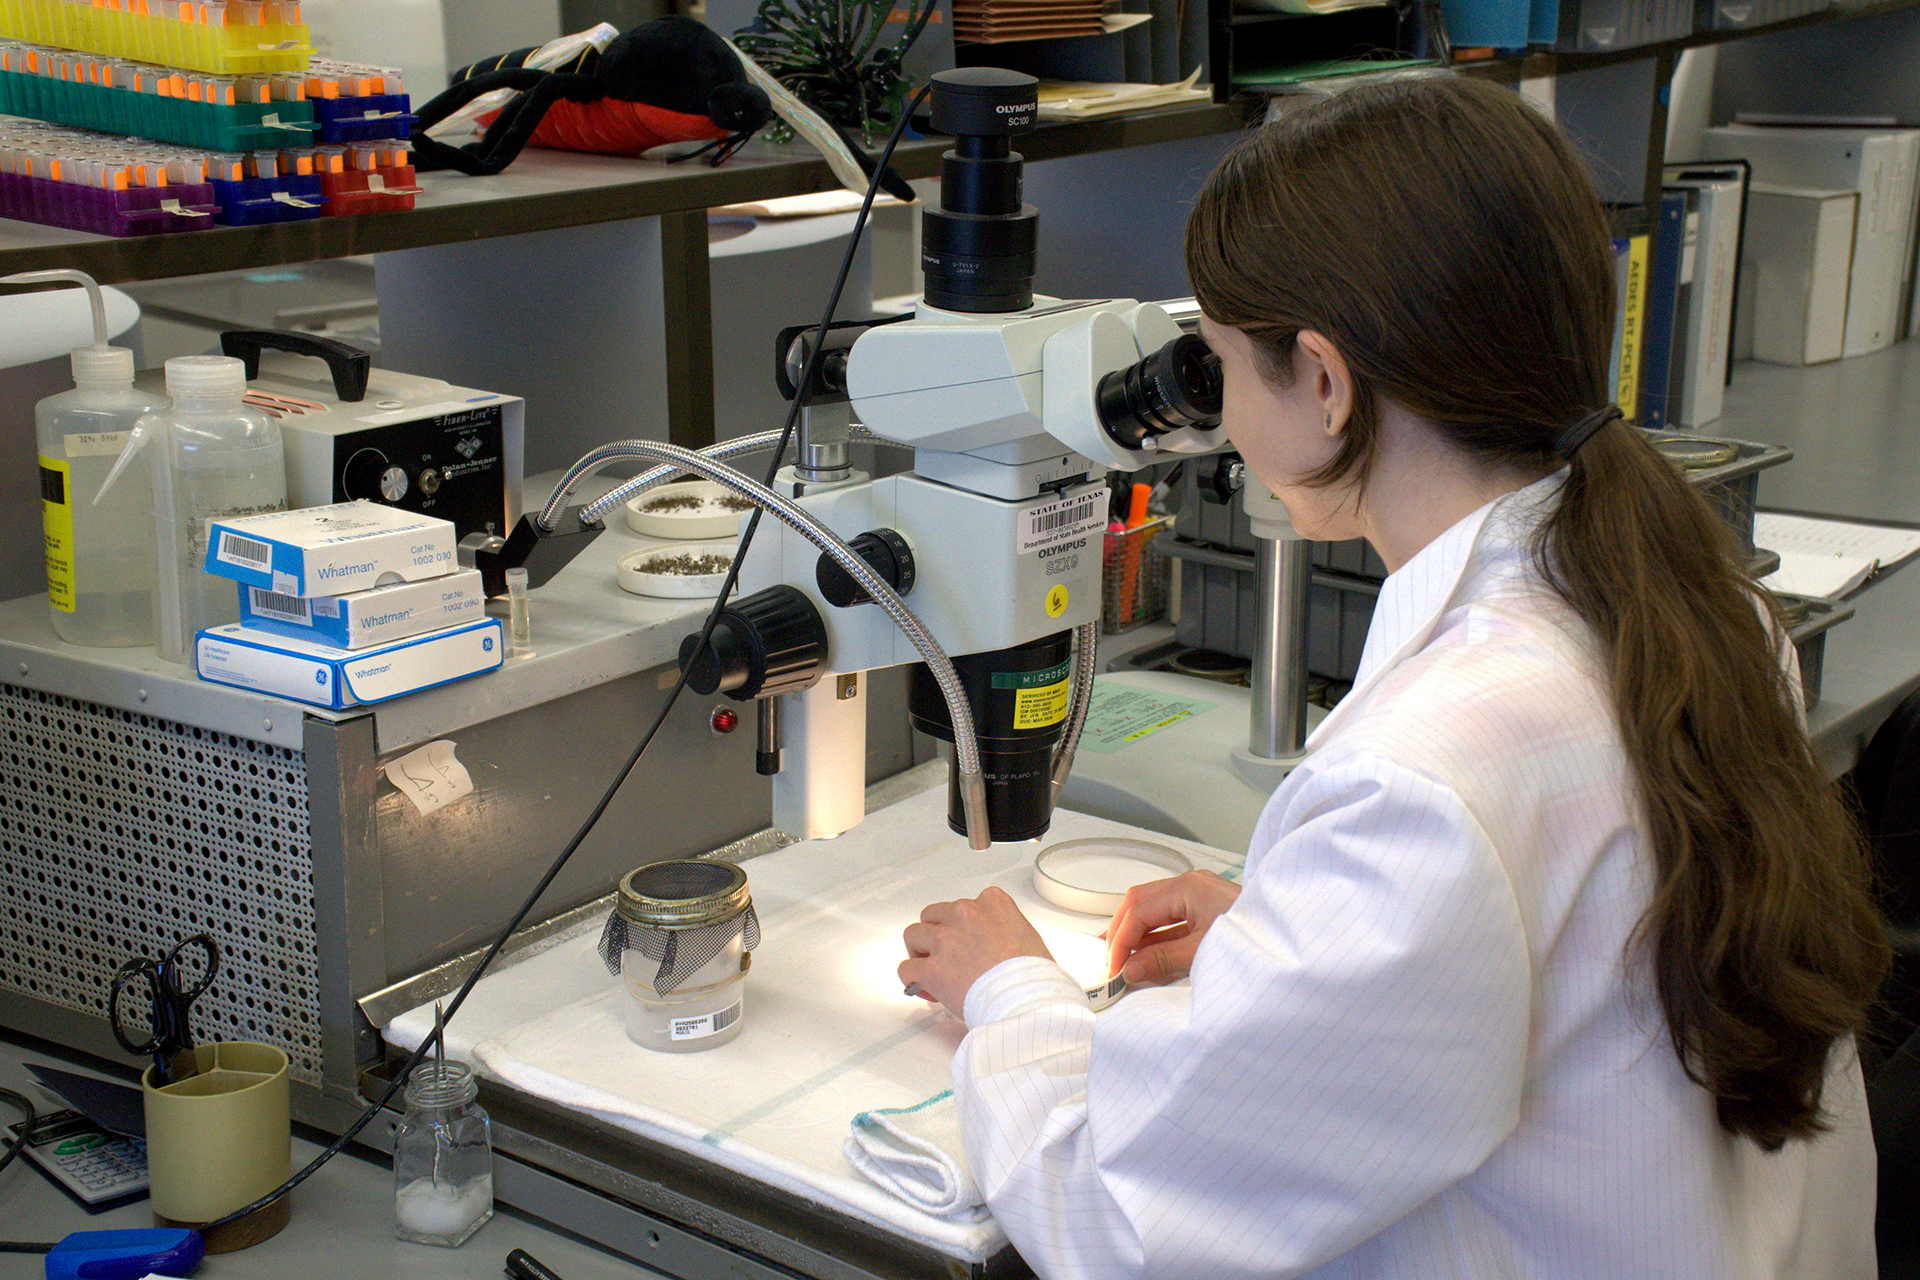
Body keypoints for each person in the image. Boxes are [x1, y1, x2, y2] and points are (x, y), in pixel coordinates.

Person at [898, 72, 1889, 1279]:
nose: (1213, 411)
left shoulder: (1425, 779)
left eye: (1218, 365)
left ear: (1323, 382)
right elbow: (1545, 980)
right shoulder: (1707, 613)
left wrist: (1012, 995)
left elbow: (1120, 1218)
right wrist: (1287, 945)